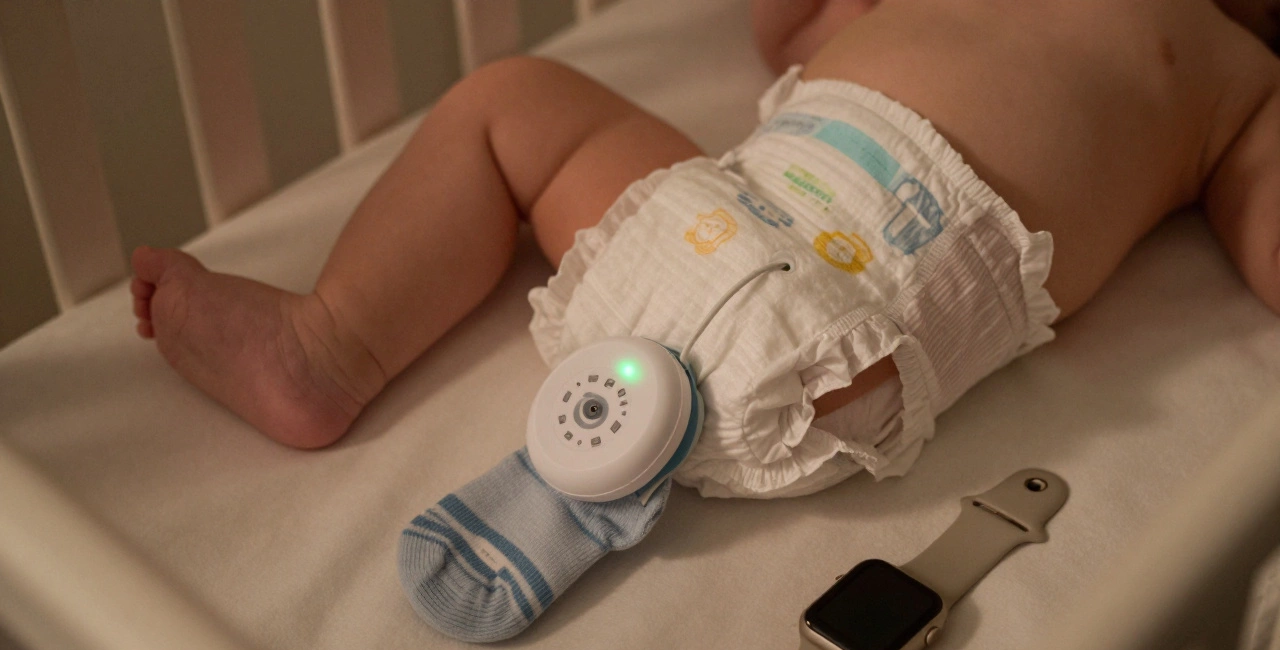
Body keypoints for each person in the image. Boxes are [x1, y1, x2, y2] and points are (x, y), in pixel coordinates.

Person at [130, 0, 1279, 476]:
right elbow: (785, 26)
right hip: (711, 220)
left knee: (508, 104)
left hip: (857, 335)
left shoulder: (1232, 67)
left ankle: (330, 345)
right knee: (511, 104)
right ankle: (331, 342)